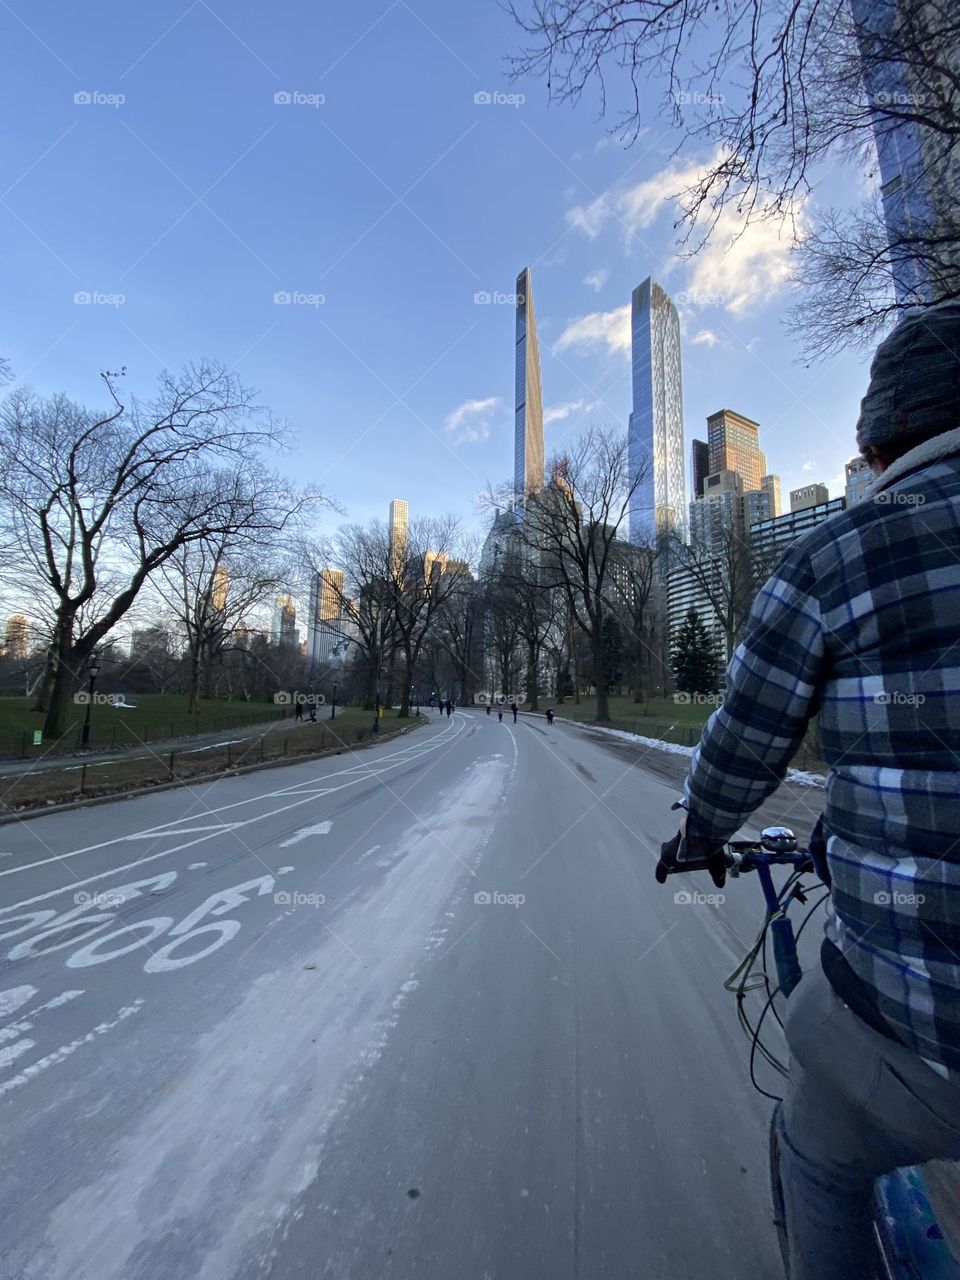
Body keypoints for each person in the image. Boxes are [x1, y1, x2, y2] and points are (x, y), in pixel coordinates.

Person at [656, 301, 960, 1280]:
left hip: (919, 1031)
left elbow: (744, 742)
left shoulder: (838, 554)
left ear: (873, 446)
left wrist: (700, 828)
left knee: (818, 1152)